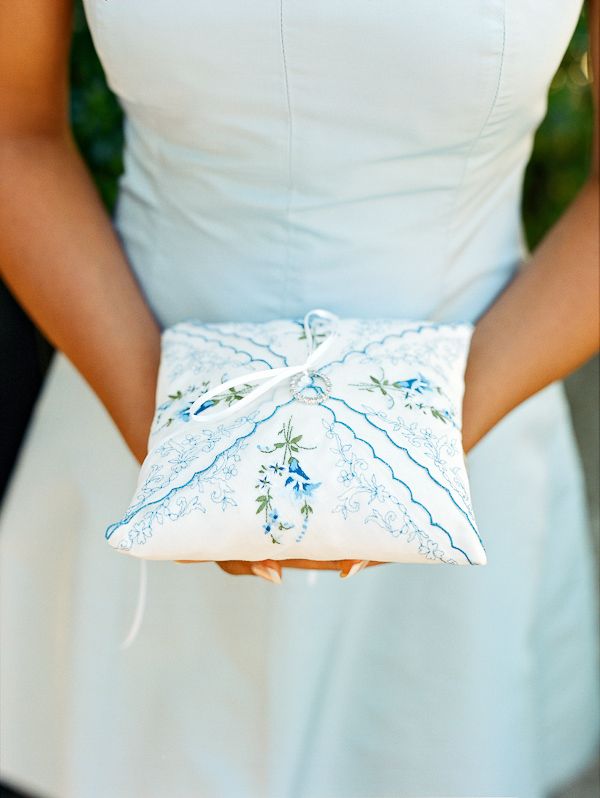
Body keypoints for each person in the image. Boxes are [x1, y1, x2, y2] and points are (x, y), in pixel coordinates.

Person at [1, 1, 598, 796]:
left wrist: (413, 455)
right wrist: (184, 450)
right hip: (137, 413)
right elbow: (16, 134)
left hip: (468, 450)